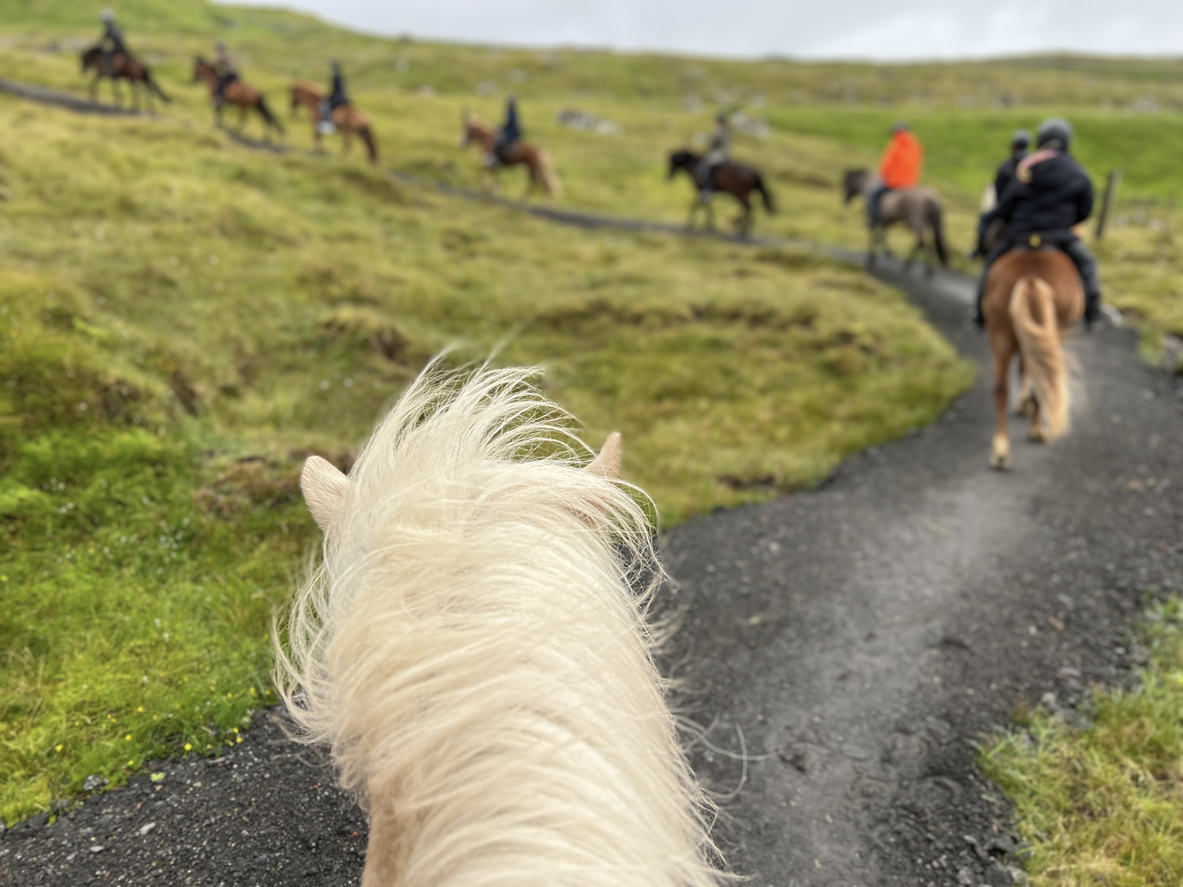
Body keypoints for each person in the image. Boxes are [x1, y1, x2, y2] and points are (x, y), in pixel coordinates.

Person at [973, 117, 1103, 329]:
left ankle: (979, 312)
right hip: (1059, 236)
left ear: (1041, 140)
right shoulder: (1077, 172)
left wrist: (992, 222)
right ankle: (1093, 313)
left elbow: (1007, 204)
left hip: (1020, 234)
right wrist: (1067, 222)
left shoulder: (1027, 169)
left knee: (989, 265)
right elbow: (1085, 209)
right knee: (1088, 265)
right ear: (1067, 141)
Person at [973, 129, 1031, 257]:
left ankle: (979, 248)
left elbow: (999, 189)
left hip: (1007, 208)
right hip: (1029, 209)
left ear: (1014, 145)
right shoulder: (1033, 164)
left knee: (985, 219)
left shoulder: (1006, 166)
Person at [868, 122, 923, 227]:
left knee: (873, 194)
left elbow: (886, 164)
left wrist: (884, 175)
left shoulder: (896, 145)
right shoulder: (916, 146)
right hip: (911, 183)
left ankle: (874, 220)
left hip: (896, 182)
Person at [696, 113, 732, 201]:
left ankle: (707, 189)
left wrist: (704, 139)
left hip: (719, 154)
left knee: (705, 166)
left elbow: (713, 141)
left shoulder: (720, 130)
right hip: (723, 153)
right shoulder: (726, 129)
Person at [487, 96, 522, 167]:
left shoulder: (511, 112)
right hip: (512, 131)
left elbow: (510, 123)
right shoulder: (513, 111)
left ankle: (497, 161)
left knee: (499, 143)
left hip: (512, 132)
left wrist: (502, 128)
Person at [319, 60, 350, 134]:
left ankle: (327, 123)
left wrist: (329, 96)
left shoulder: (335, 77)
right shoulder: (341, 76)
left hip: (337, 98)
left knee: (324, 107)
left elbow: (335, 89)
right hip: (344, 98)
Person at [97, 9, 128, 77]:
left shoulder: (109, 29)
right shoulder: (116, 27)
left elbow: (104, 39)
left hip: (117, 48)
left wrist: (99, 46)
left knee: (106, 56)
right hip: (123, 47)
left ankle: (109, 70)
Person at [213, 41, 239, 106]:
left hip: (229, 74)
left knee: (221, 84)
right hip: (234, 73)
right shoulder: (227, 54)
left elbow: (217, 64)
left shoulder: (222, 55)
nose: (218, 50)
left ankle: (221, 98)